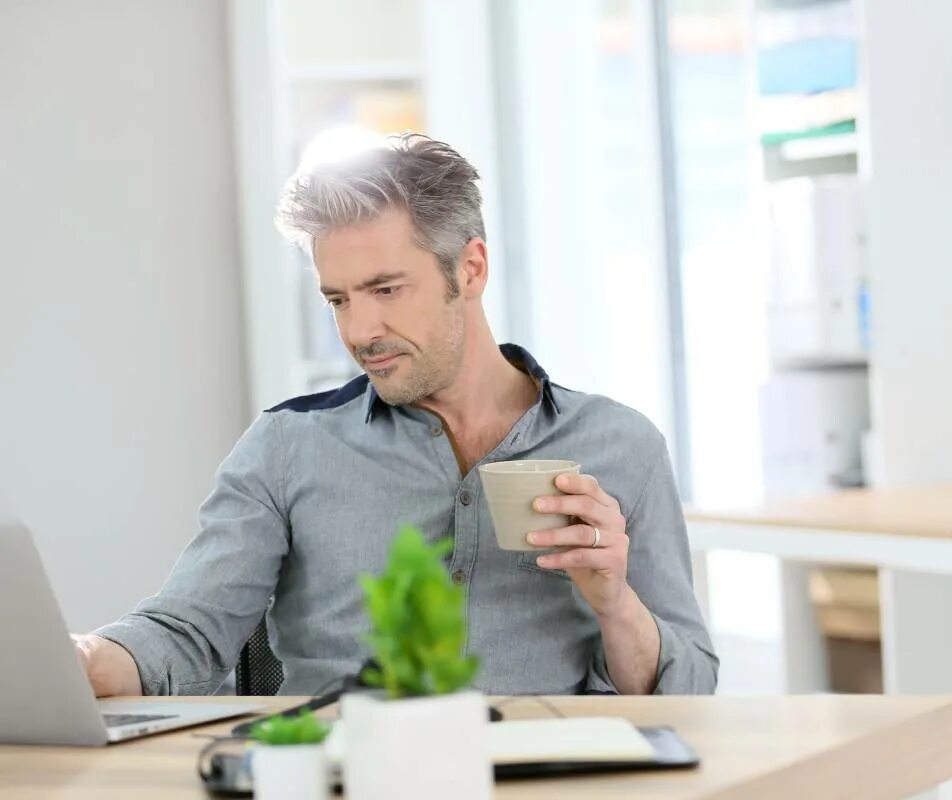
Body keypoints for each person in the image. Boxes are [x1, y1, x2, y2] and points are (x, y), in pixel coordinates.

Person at [74, 132, 718, 697]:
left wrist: (615, 604)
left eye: (385, 290)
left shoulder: (621, 445)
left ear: (469, 268)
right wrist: (81, 662)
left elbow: (688, 690)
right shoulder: (285, 447)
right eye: (338, 299)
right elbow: (185, 634)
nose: (360, 331)